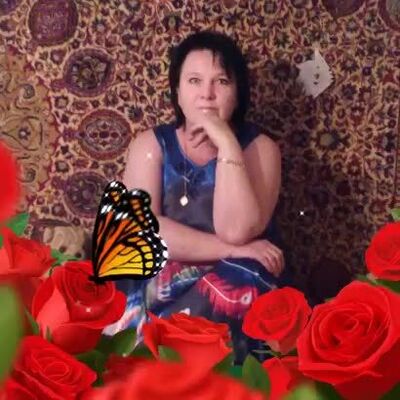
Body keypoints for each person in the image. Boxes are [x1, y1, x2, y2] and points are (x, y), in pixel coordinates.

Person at [107, 30, 288, 364]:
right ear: (177, 92)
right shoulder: (150, 146)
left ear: (238, 93)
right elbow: (144, 232)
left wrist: (227, 144)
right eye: (194, 81)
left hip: (231, 272)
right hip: (164, 266)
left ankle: (204, 372)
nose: (207, 94)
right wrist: (231, 248)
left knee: (241, 280)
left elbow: (236, 230)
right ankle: (155, 370)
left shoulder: (261, 149)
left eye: (221, 81)